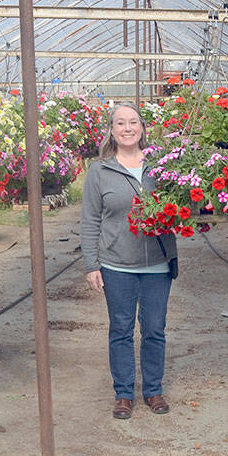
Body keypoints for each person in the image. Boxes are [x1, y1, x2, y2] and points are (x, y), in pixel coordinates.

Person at [81, 103, 178, 420]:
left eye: (133, 122)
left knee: (154, 329)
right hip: (116, 264)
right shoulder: (100, 171)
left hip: (157, 265)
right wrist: (91, 263)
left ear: (142, 128)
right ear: (111, 129)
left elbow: (180, 204)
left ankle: (153, 390)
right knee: (120, 330)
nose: (127, 128)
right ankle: (124, 394)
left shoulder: (162, 167)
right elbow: (90, 220)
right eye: (120, 123)